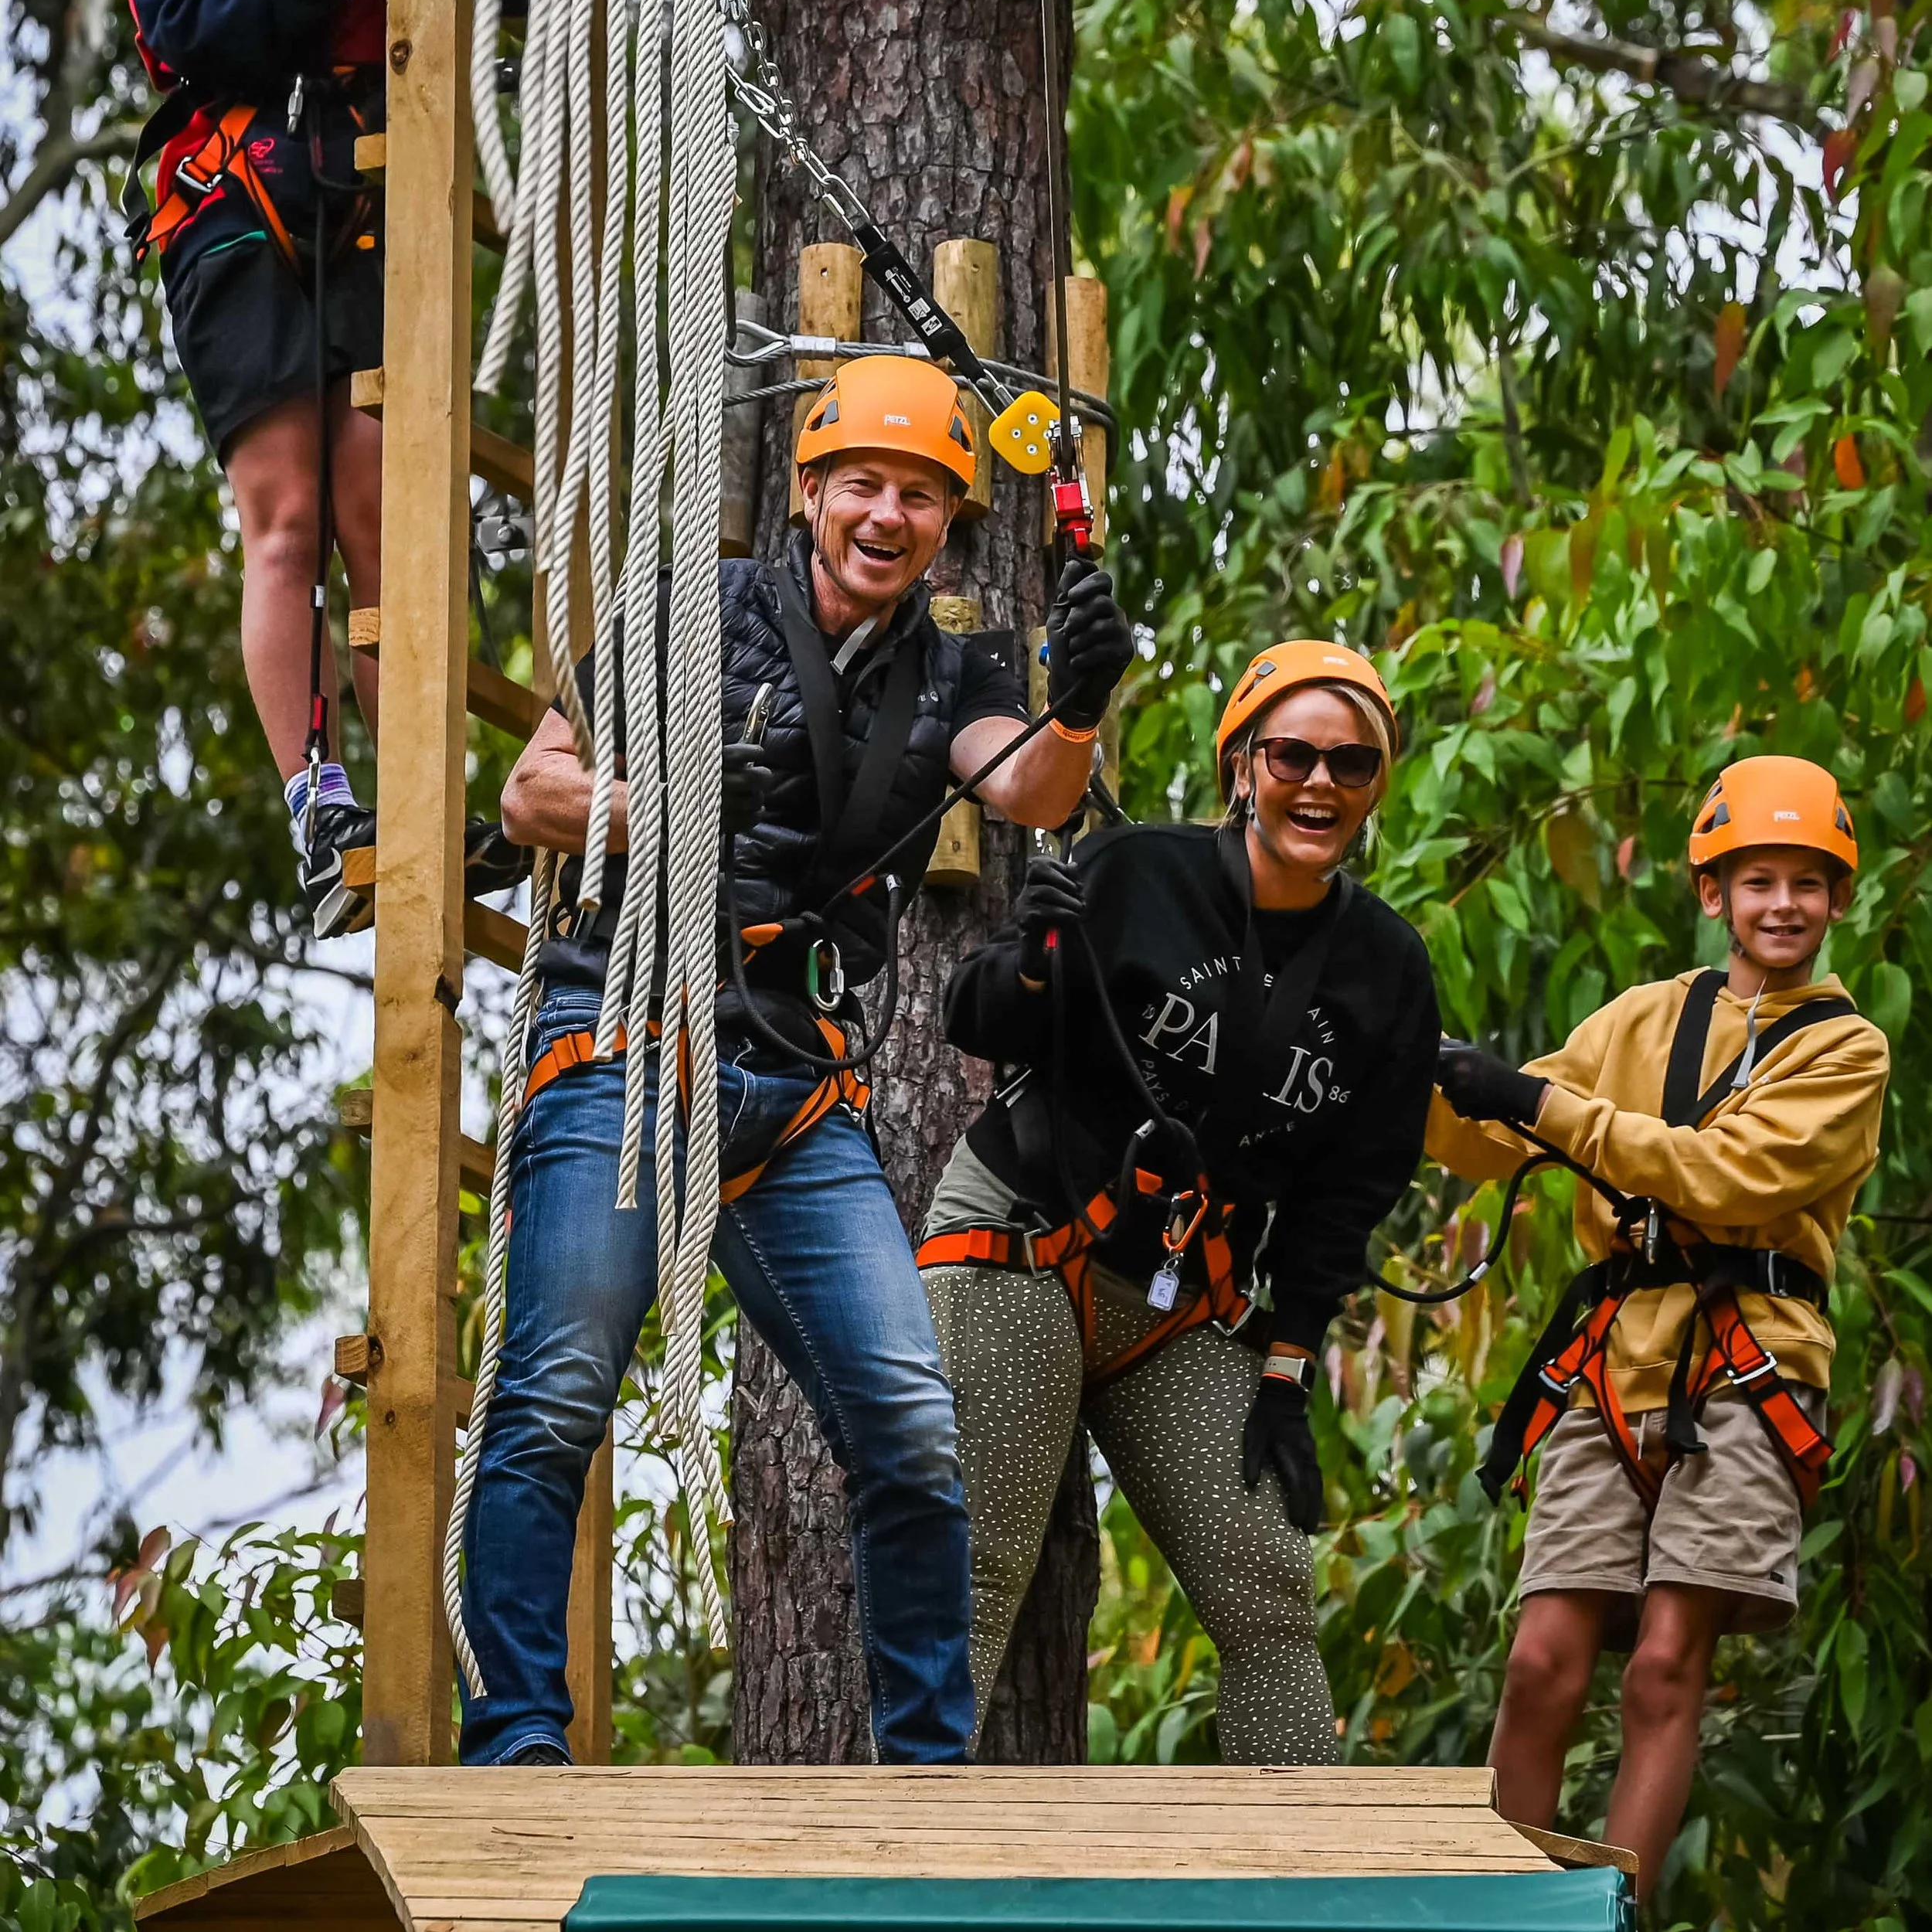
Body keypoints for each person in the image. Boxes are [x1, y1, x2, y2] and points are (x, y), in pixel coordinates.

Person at [461, 354, 1135, 1767]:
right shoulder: (687, 613)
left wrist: (1077, 702)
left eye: (923, 497)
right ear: (810, 491)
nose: (889, 515)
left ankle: (929, 1764)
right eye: (864, 486)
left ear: (949, 525)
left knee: (907, 1417)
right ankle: (516, 1738)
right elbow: (533, 792)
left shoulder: (954, 670)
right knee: (555, 1393)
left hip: (791, 1084)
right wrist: (673, 806)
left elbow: (1027, 785)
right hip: (627, 1041)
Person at [917, 638, 1441, 1760]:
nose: (1319, 782)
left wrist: (1290, 1372)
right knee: (981, 1568)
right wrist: (1038, 960)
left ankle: (1294, 1885)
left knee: (1269, 1594)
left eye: (1351, 764)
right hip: (1027, 1235)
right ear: (1241, 766)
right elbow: (975, 1015)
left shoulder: (1388, 972)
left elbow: (1343, 1200)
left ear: (1375, 787)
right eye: (1292, 753)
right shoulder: (1137, 871)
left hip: (1177, 1300)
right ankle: (902, 1869)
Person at [1432, 755, 1889, 1903]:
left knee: (1663, 1666)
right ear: (1712, 893)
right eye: (1758, 880)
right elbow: (1491, 1137)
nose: (1782, 904)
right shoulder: (1642, 1020)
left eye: (1807, 882)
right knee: (1540, 1662)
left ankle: (1610, 1910)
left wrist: (1532, 1100)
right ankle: (1492, 1905)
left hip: (1752, 1364)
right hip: (1612, 1368)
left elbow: (1723, 1180)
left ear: (1839, 900)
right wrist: (1407, 1065)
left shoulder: (1846, 1049)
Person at [124, 0, 527, 936]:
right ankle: (320, 794)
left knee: (385, 514)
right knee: (287, 516)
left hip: (366, 224)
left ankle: (416, 789)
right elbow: (215, 35)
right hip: (238, 225)